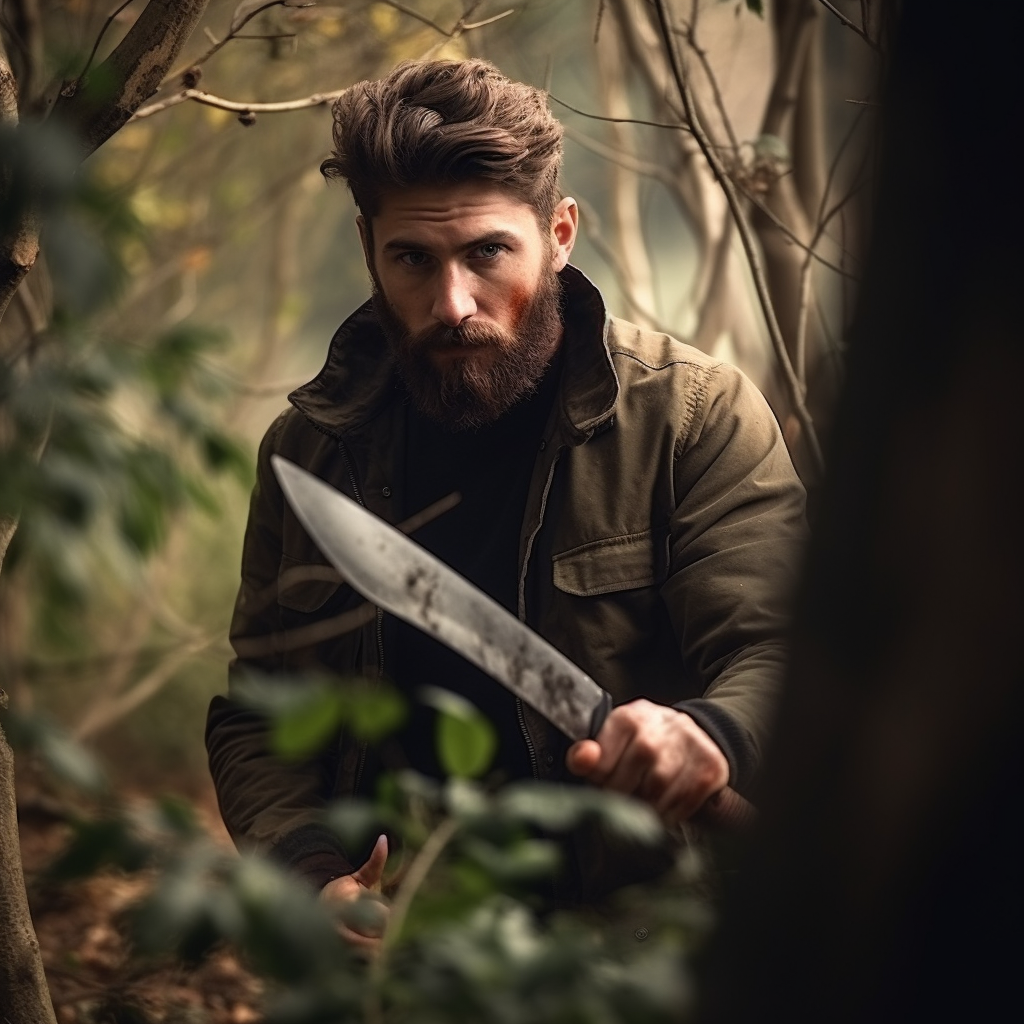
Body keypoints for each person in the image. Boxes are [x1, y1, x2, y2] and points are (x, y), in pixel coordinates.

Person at [205, 58, 806, 951]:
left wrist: (709, 736)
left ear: (559, 233)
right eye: (412, 259)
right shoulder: (312, 453)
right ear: (371, 248)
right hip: (414, 936)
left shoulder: (692, 416)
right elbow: (261, 714)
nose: (452, 304)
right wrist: (311, 875)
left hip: (649, 937)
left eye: (487, 252)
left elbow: (778, 645)